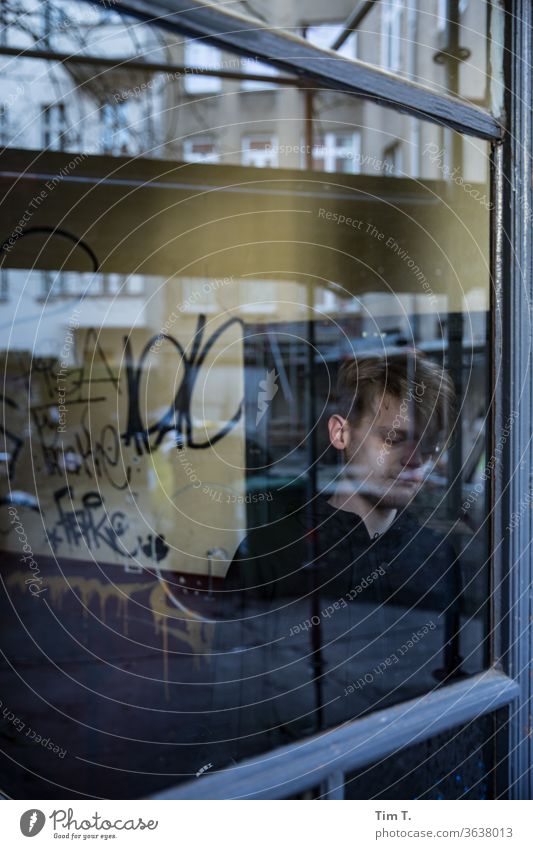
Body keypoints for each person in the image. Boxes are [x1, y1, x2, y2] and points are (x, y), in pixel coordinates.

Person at [204, 352, 464, 771]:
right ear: (340, 433)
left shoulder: (436, 555)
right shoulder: (273, 550)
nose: (416, 462)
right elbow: (234, 707)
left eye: (428, 446)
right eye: (394, 439)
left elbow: (450, 692)